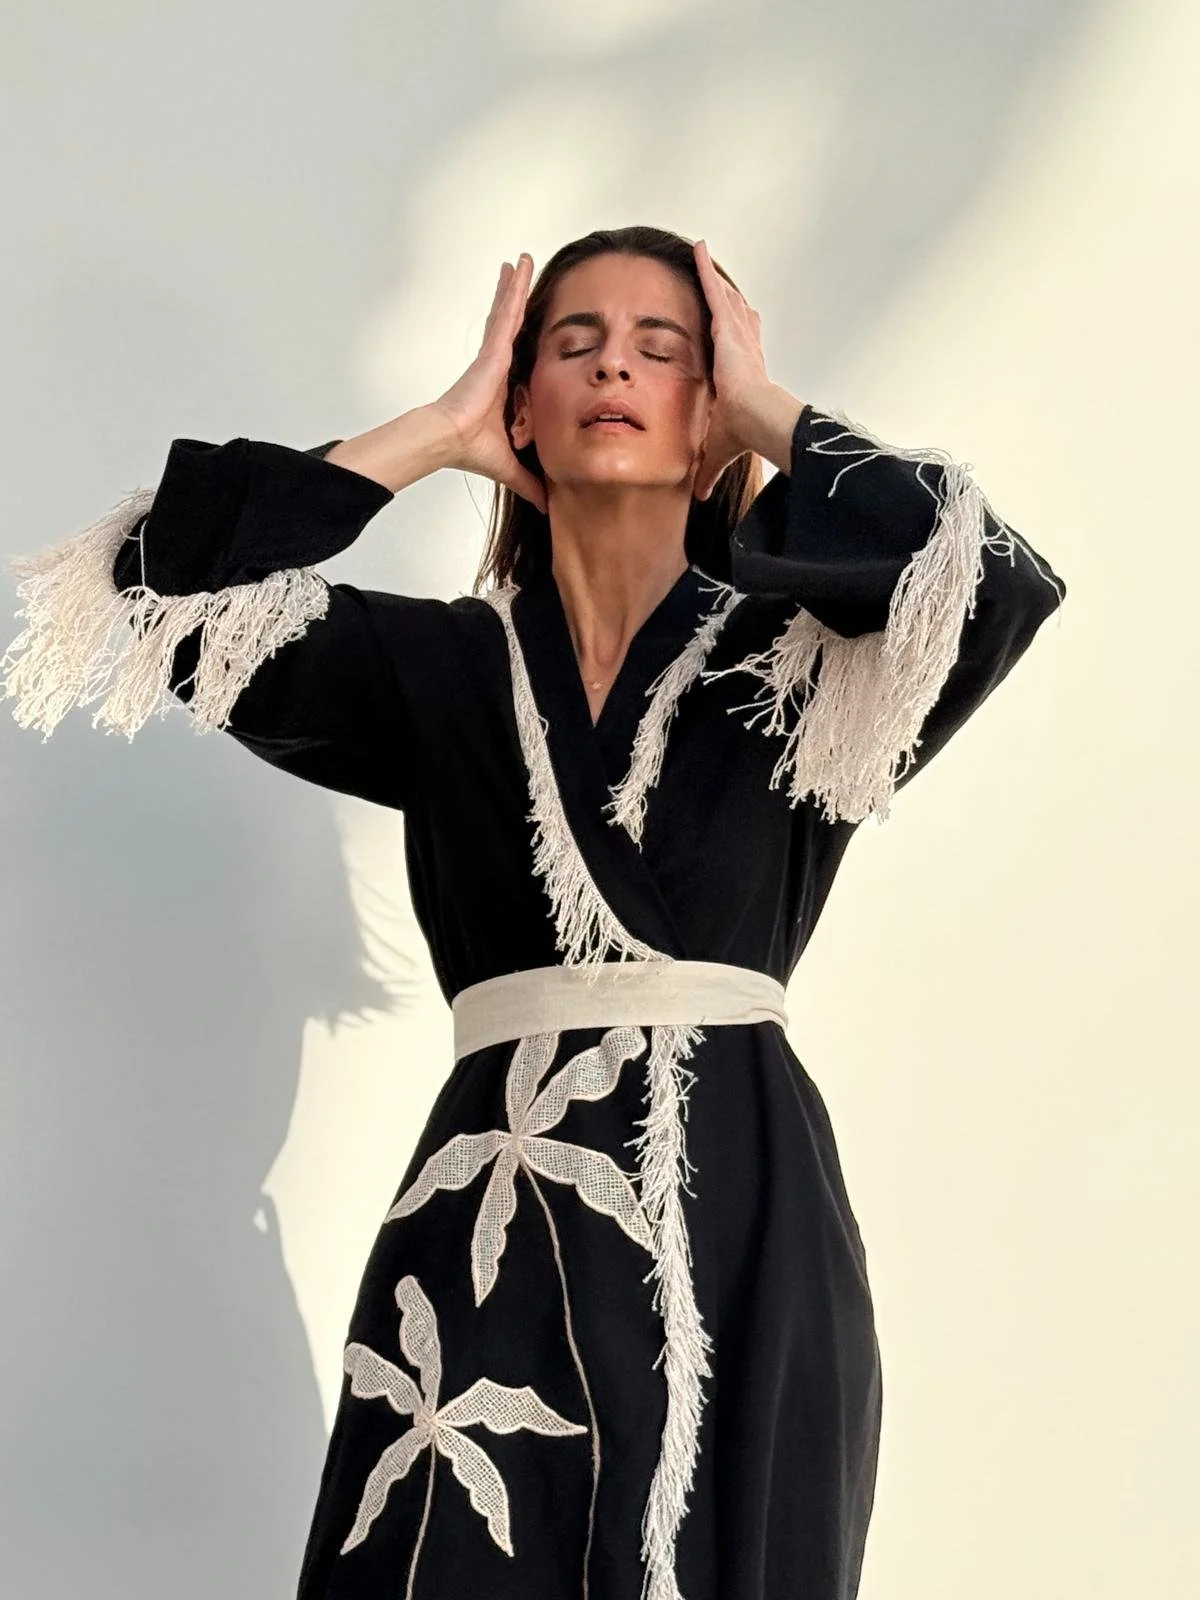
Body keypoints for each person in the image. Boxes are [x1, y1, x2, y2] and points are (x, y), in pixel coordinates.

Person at [1, 225, 1066, 1600]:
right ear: (524, 398)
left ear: (706, 408)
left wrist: (765, 409)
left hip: (742, 1224)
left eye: (662, 349)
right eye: (573, 343)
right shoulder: (437, 668)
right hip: (491, 1232)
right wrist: (439, 432)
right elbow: (166, 584)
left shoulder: (800, 677)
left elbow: (993, 582)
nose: (614, 366)